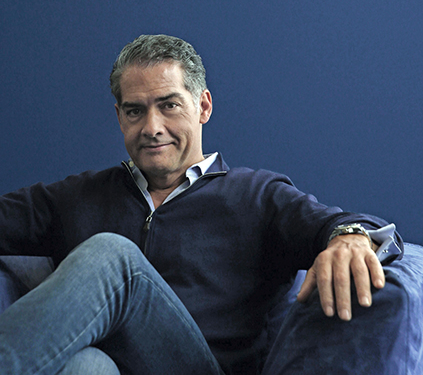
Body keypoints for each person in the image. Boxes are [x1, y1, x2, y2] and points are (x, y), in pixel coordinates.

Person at [0, 34, 403, 375]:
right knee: (85, 366)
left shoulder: (256, 195)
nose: (152, 127)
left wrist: (351, 237)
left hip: (199, 367)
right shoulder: (79, 196)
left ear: (203, 107)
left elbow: (342, 223)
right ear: (120, 118)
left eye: (169, 105)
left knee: (111, 255)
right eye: (135, 111)